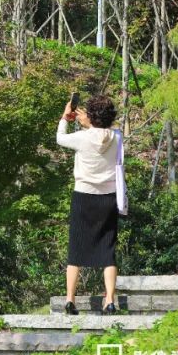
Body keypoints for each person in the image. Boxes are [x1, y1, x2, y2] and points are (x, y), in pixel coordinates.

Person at [57, 94, 120, 315]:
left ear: (90, 116)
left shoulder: (82, 138)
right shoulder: (117, 137)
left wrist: (66, 117)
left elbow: (60, 138)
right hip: (108, 198)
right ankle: (110, 300)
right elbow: (103, 134)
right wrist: (91, 124)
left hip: (83, 196)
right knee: (108, 249)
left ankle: (70, 300)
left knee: (76, 248)